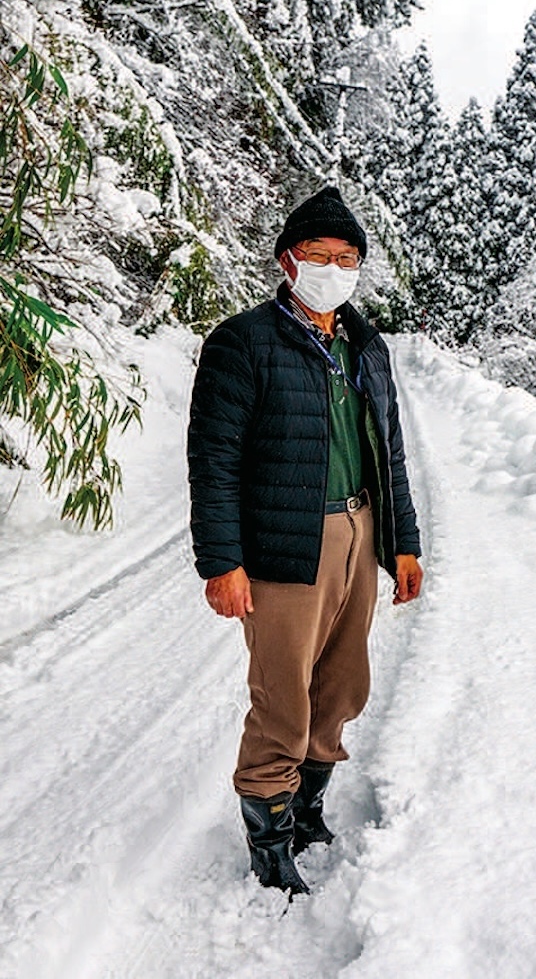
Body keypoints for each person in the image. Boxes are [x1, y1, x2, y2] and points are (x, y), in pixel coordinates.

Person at [187, 185, 423, 896]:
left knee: (343, 685)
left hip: (358, 528)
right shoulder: (243, 342)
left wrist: (402, 543)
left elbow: (391, 450)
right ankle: (270, 836)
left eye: (346, 257)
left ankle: (308, 806)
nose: (333, 267)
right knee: (283, 696)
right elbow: (214, 458)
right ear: (288, 261)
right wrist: (222, 560)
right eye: (318, 255)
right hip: (286, 543)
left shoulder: (364, 345)